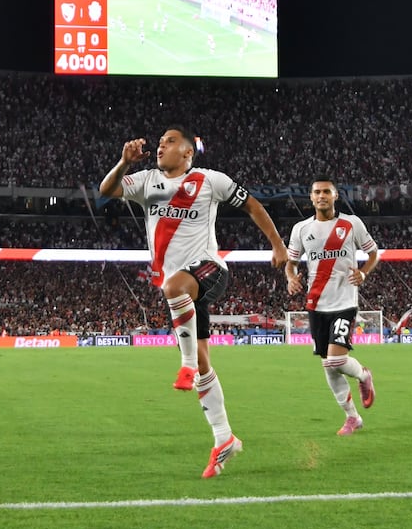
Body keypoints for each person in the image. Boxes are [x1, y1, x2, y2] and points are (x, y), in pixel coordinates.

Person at [100, 126, 287, 478]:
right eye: (159, 143)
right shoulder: (147, 181)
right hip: (181, 289)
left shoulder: (210, 180)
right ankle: (224, 437)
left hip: (209, 269)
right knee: (204, 364)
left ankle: (184, 366)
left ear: (187, 152)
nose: (161, 147)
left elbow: (252, 205)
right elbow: (106, 190)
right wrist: (124, 163)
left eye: (169, 142)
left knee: (173, 289)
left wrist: (277, 245)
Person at [284, 177, 380, 436]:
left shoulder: (351, 223)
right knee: (329, 364)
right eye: (317, 192)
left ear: (335, 195)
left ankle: (363, 375)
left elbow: (373, 253)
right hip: (316, 303)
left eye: (326, 191)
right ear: (311, 197)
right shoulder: (301, 229)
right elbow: (291, 263)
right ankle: (353, 418)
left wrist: (364, 272)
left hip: (345, 301)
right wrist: (291, 278)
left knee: (335, 360)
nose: (321, 196)